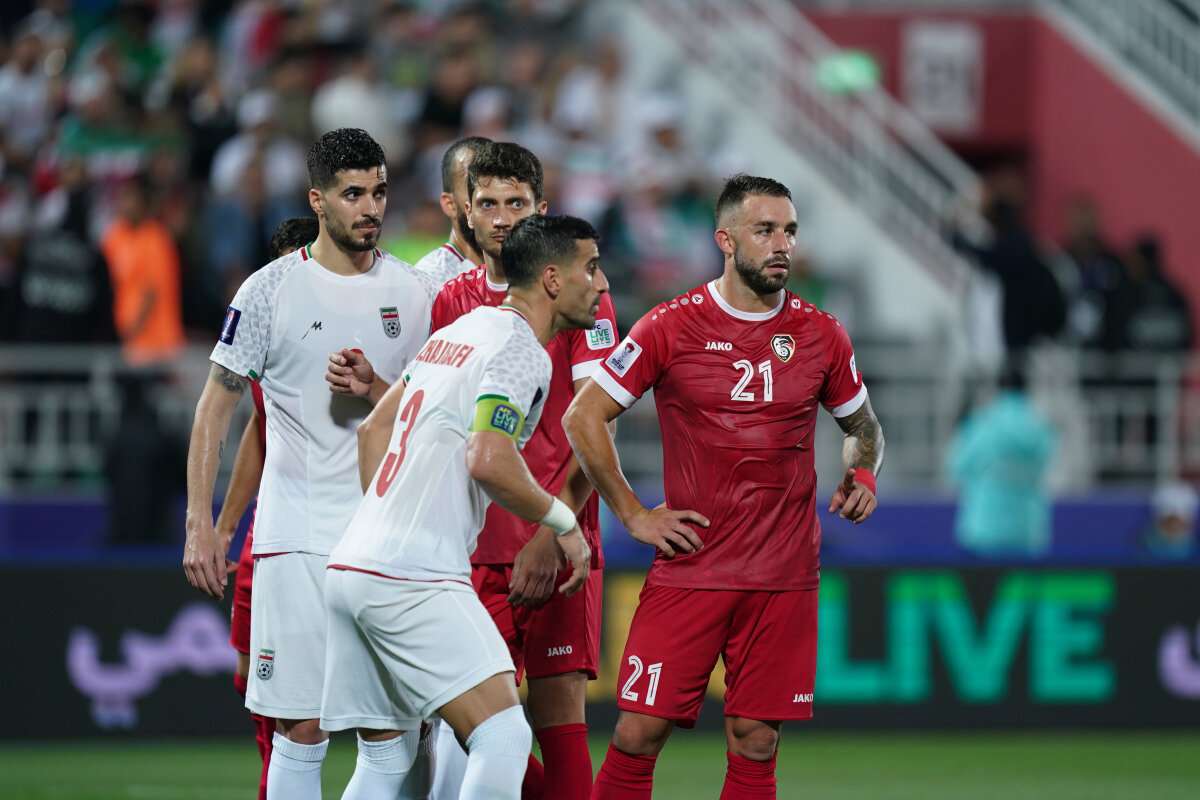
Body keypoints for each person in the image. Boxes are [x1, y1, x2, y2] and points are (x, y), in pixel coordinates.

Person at [563, 174, 885, 799]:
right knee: (638, 732)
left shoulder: (822, 334)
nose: (782, 244)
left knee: (756, 740)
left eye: (789, 231)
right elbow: (584, 416)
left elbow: (864, 426)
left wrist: (863, 471)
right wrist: (633, 514)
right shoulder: (669, 325)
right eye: (764, 230)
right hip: (693, 565)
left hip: (783, 572)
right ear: (726, 241)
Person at [183, 128, 440, 800]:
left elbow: (431, 415)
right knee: (301, 729)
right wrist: (201, 522)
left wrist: (378, 390)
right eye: (353, 193)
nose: (370, 207)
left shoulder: (417, 293)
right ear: (317, 200)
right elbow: (216, 408)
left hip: (383, 542)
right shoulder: (268, 290)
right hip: (295, 538)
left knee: (393, 736)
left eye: (379, 191)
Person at [320, 213, 605, 800]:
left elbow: (374, 430)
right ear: (553, 280)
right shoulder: (521, 350)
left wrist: (386, 525)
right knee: (502, 735)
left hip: (354, 564)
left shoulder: (461, 331)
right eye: (591, 268)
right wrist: (564, 522)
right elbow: (488, 458)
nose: (601, 284)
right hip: (415, 575)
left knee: (386, 759)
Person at [211, 215, 318, 800]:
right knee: (253, 679)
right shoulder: (268, 324)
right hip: (273, 527)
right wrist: (224, 528)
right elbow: (260, 428)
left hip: (347, 524)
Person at [943, 361, 1057, 558]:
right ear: (1026, 388)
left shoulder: (982, 424)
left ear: (998, 387)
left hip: (986, 531)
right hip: (1027, 531)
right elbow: (1048, 468)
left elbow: (955, 468)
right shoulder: (1041, 428)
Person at [410, 136, 490, 285]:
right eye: (473, 188)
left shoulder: (527, 271)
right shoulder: (430, 280)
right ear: (450, 204)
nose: (487, 200)